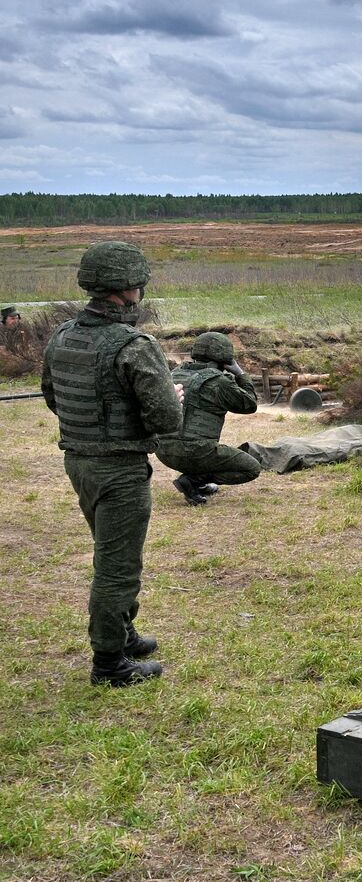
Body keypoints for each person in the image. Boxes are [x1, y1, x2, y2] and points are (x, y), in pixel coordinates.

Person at [41, 241, 183, 687]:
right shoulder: (134, 345)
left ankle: (122, 634)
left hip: (79, 463)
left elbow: (53, 397)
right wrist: (174, 398)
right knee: (117, 566)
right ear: (129, 289)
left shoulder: (63, 334)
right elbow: (166, 418)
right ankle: (109, 664)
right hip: (119, 469)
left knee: (111, 555)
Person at [156, 332, 261, 506]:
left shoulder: (173, 374)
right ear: (225, 357)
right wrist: (240, 373)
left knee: (199, 451)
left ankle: (198, 482)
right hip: (197, 452)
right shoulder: (220, 381)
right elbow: (250, 405)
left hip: (165, 452)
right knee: (251, 468)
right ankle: (194, 480)